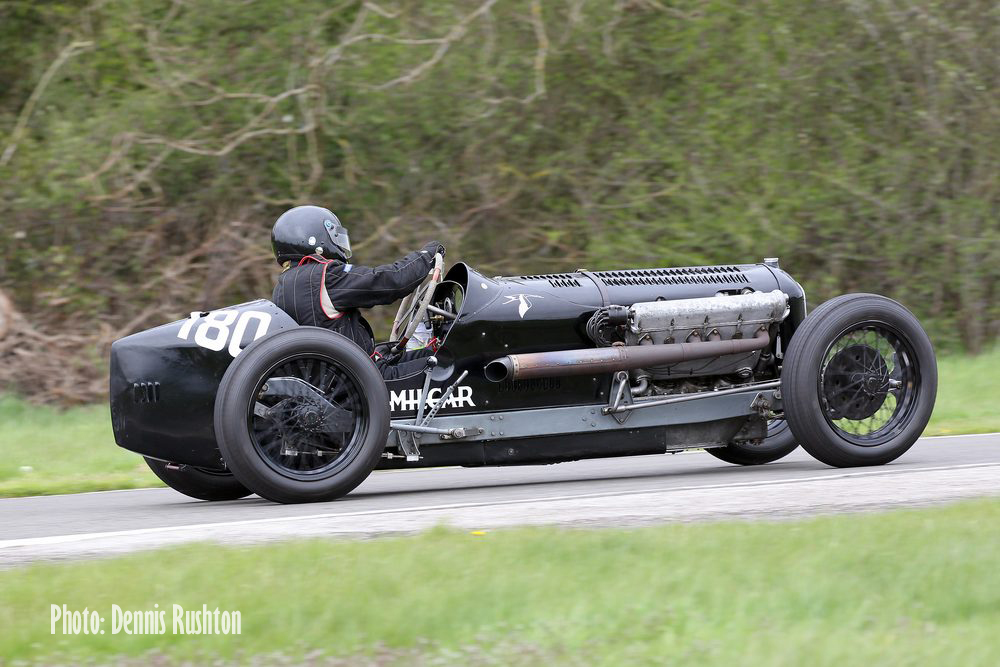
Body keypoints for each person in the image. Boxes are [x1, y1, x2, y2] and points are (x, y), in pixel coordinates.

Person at [270, 205, 446, 379]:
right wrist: (426, 255)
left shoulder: (284, 285)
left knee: (435, 352)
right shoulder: (323, 276)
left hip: (337, 378)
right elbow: (389, 281)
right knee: (449, 365)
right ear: (314, 240)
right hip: (362, 383)